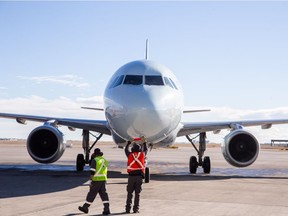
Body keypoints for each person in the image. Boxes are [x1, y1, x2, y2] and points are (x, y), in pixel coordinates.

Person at [78, 148, 110, 215]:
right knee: (104, 194)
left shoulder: (95, 160)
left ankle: (85, 207)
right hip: (103, 179)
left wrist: (90, 180)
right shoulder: (104, 160)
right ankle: (107, 209)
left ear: (94, 154)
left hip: (96, 180)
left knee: (91, 194)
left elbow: (92, 172)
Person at [125, 140, 148, 213]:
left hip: (131, 177)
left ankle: (127, 209)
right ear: (139, 149)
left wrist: (128, 143)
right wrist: (144, 143)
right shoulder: (142, 155)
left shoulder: (130, 155)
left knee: (129, 193)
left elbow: (126, 150)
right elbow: (146, 150)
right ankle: (136, 209)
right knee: (137, 194)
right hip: (139, 177)